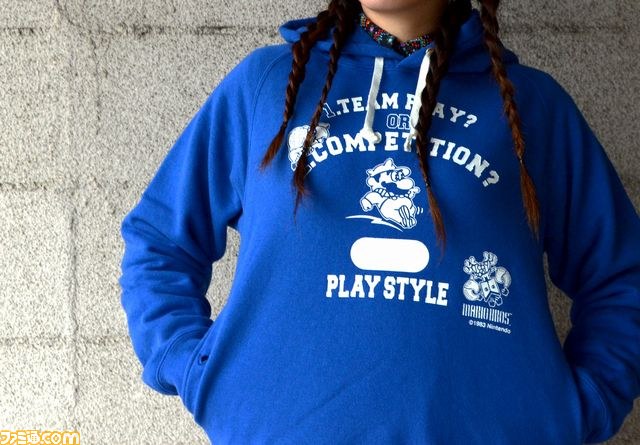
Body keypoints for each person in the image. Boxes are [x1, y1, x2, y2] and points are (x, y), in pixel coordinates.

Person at [118, 0, 640, 443]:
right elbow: (160, 241)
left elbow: (622, 278)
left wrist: (579, 406)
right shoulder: (265, 86)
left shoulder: (532, 108)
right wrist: (197, 370)